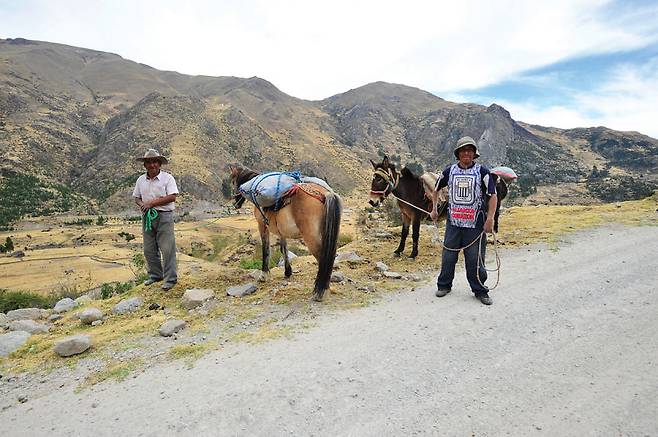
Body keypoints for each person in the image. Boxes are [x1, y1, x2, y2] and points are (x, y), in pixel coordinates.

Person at [430, 136, 497, 305]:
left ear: (474, 154)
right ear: (458, 154)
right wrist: (434, 208)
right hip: (454, 223)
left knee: (475, 259)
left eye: (469, 150)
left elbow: (493, 195)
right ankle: (444, 285)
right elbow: (436, 188)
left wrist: (490, 218)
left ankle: (480, 289)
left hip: (475, 225)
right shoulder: (448, 171)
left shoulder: (483, 172)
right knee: (448, 256)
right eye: (463, 151)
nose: (466, 153)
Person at [132, 148, 179, 290]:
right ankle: (155, 275)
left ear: (159, 164)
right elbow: (136, 197)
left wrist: (151, 203)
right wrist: (143, 206)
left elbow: (172, 197)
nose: (152, 165)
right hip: (147, 216)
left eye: (154, 162)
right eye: (149, 162)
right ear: (144, 165)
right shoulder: (140, 180)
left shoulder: (168, 178)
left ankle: (170, 279)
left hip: (164, 216)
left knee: (167, 248)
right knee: (149, 249)